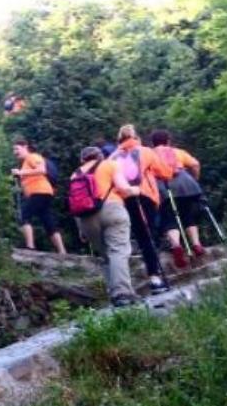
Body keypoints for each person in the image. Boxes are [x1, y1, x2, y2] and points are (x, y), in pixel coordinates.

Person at [72, 146, 140, 307]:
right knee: (118, 251)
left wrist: (80, 228)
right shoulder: (110, 164)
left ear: (82, 159)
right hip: (112, 209)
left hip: (86, 218)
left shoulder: (75, 174)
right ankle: (122, 293)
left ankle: (113, 294)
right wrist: (136, 190)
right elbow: (124, 189)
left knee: (106, 255)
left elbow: (75, 202)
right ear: (100, 156)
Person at [111, 124, 173, 293]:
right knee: (150, 234)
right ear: (135, 136)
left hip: (126, 199)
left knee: (142, 236)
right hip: (145, 196)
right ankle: (155, 277)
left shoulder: (113, 157)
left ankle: (151, 276)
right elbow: (165, 173)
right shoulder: (145, 151)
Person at [150, 129, 205, 268]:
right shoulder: (177, 152)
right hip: (185, 184)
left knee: (169, 218)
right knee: (188, 215)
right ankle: (196, 244)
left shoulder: (149, 154)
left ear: (153, 143)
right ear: (168, 141)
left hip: (164, 187)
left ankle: (176, 246)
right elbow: (195, 164)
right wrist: (195, 179)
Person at [11, 138, 66, 254]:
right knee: (47, 220)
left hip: (39, 192)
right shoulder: (25, 163)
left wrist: (20, 172)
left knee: (24, 216)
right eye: (14, 150)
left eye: (17, 149)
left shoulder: (32, 157)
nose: (15, 152)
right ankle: (62, 251)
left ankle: (30, 246)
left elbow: (42, 170)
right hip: (42, 192)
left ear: (25, 147)